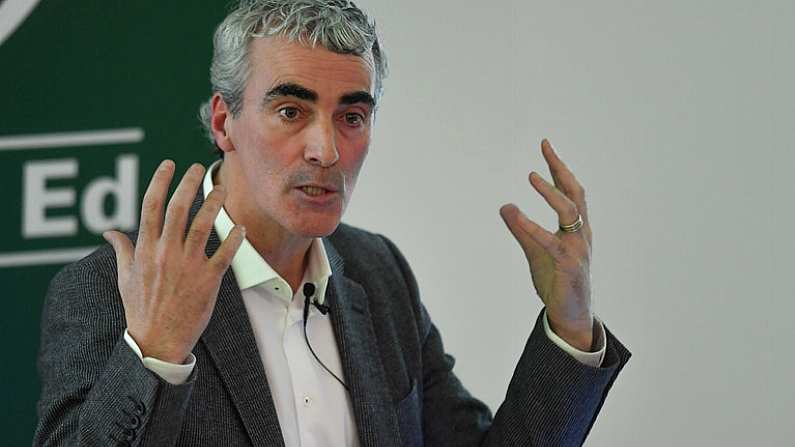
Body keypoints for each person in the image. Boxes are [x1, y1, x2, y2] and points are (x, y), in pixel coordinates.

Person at [34, 1, 630, 446]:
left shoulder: (379, 273)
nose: (325, 149)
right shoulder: (113, 287)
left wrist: (569, 326)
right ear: (224, 122)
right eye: (290, 111)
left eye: (351, 116)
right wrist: (157, 352)